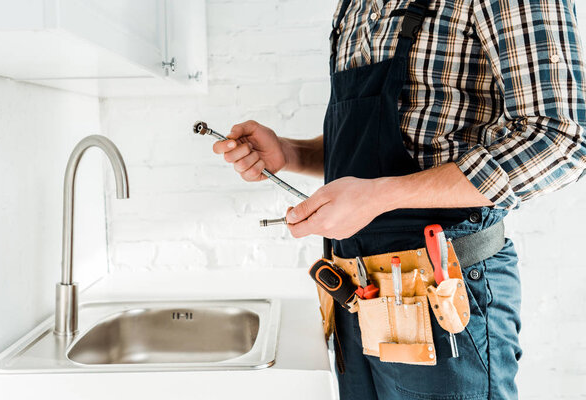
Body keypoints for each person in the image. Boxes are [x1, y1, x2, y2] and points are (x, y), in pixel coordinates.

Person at [212, 0, 586, 398]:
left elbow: (560, 141)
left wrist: (379, 197)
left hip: (443, 296)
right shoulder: (353, 6)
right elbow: (397, 139)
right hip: (353, 300)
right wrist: (291, 154)